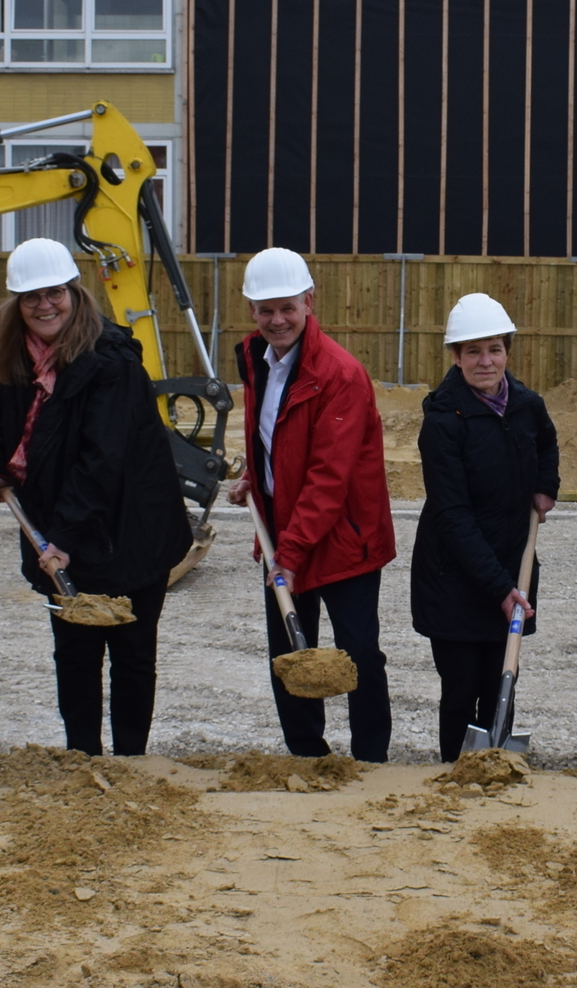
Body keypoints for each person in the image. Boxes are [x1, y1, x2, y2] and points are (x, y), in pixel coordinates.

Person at [0, 238, 191, 756]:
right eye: (31, 297)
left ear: (75, 292)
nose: (44, 305)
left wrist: (64, 538)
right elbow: (11, 428)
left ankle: (130, 761)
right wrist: (5, 472)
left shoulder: (110, 363)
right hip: (64, 527)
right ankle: (82, 757)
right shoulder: (15, 363)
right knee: (73, 652)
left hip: (130, 529)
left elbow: (103, 459)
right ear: (17, 304)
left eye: (54, 293)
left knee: (132, 651)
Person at [227, 248, 395, 762]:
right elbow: (276, 439)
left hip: (345, 537)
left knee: (358, 651)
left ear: (309, 302)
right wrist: (256, 481)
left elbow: (329, 477)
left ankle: (370, 758)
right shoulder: (258, 358)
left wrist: (290, 555)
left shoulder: (339, 374)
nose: (277, 320)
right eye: (265, 309)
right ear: (252, 310)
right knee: (290, 651)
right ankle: (307, 753)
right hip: (286, 534)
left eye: (287, 308)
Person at [410, 293, 559, 761]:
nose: (485, 361)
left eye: (494, 349)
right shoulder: (442, 420)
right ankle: (457, 767)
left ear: (507, 351)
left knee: (502, 681)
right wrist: (500, 588)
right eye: (472, 351)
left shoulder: (526, 405)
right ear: (455, 357)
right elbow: (452, 515)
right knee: (461, 686)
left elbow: (548, 442)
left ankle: (495, 763)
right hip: (453, 577)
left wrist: (545, 485)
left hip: (512, 565)